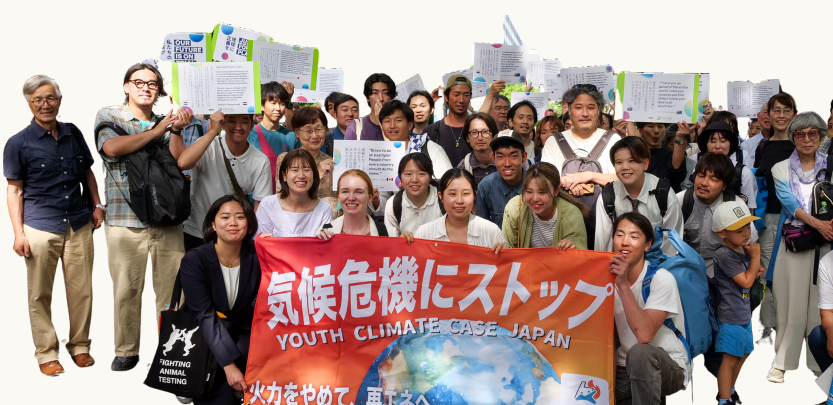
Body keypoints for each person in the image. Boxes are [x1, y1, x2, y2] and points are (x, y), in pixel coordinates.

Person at [4, 75, 103, 375]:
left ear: (60, 100)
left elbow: (86, 172)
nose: (45, 104)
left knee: (82, 291)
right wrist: (18, 233)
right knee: (39, 294)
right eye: (38, 100)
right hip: (40, 227)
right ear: (30, 104)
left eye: (50, 98)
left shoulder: (73, 133)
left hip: (78, 223)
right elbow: (14, 190)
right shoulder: (18, 143)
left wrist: (96, 205)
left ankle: (80, 347)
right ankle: (47, 353)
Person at [95, 62, 188, 371]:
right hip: (125, 221)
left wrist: (175, 130)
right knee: (126, 290)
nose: (146, 87)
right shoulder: (110, 115)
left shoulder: (167, 120)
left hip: (167, 219)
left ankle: (171, 355)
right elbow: (111, 148)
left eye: (152, 83)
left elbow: (179, 161)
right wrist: (157, 132)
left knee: (172, 292)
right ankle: (127, 350)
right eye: (139, 82)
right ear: (126, 86)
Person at [768, 111, 833, 383]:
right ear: (793, 137)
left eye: (812, 133)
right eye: (800, 134)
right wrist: (818, 224)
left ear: (820, 136)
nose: (807, 139)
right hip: (794, 242)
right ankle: (782, 361)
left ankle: (819, 360)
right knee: (789, 303)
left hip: (826, 245)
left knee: (822, 303)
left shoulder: (831, 165)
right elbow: (789, 203)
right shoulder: (781, 168)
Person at [178, 195, 261, 405]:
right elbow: (204, 315)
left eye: (240, 217)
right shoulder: (194, 259)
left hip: (239, 332)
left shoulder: (257, 255)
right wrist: (229, 366)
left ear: (249, 224)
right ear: (213, 225)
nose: (233, 223)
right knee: (219, 396)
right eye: (225, 217)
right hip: (201, 334)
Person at [609, 212, 689, 405]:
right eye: (619, 235)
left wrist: (623, 285)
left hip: (667, 365)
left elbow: (644, 335)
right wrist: (566, 254)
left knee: (640, 353)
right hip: (624, 366)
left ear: (647, 245)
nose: (625, 242)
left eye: (634, 236)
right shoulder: (606, 278)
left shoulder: (661, 279)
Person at [171, 112, 272, 251]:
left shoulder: (261, 161)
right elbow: (183, 163)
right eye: (232, 121)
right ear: (223, 124)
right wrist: (213, 131)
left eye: (244, 122)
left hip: (234, 236)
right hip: (197, 231)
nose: (238, 127)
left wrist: (250, 236)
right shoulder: (207, 145)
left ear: (251, 125)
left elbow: (260, 207)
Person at [753, 93, 798, 338]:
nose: (781, 115)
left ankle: (791, 325)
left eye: (786, 110)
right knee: (768, 273)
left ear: (794, 115)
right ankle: (769, 327)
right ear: (768, 115)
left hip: (796, 219)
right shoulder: (763, 147)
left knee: (792, 272)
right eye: (776, 110)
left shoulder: (800, 145)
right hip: (769, 218)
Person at [711, 201, 763, 405]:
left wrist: (754, 267)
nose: (746, 234)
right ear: (722, 233)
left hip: (743, 314)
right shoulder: (724, 254)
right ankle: (724, 399)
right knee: (729, 359)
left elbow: (749, 275)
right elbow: (747, 282)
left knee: (745, 351)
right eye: (739, 230)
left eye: (748, 227)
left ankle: (729, 389)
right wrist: (755, 258)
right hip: (730, 317)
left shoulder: (740, 249)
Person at [595, 136, 683, 255]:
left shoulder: (664, 193)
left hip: (658, 264)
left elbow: (672, 246)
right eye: (619, 162)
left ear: (645, 163)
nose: (625, 167)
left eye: (632, 161)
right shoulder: (608, 196)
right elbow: (602, 246)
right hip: (619, 262)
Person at [677, 153, 757, 277]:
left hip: (722, 269)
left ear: (724, 186)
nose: (704, 183)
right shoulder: (680, 201)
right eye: (701, 176)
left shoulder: (735, 205)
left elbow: (750, 241)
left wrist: (751, 268)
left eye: (713, 179)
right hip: (685, 268)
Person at [541, 85, 618, 197]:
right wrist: (569, 182)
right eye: (578, 108)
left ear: (598, 111)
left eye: (591, 108)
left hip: (604, 207)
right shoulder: (553, 141)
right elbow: (543, 179)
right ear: (569, 111)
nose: (585, 114)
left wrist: (588, 176)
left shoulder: (613, 139)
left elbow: (622, 178)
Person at [413, 168, 508, 252]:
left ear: (474, 195)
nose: (459, 201)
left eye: (466, 193)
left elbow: (506, 264)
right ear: (441, 196)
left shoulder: (491, 231)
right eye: (452, 194)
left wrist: (505, 252)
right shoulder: (424, 234)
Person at [501, 162, 589, 249]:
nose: (535, 199)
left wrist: (570, 246)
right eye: (529, 192)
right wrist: (504, 248)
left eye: (542, 192)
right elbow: (510, 248)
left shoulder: (571, 213)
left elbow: (579, 251)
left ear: (556, 191)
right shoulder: (515, 208)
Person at [275, 107, 338, 215]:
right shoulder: (286, 160)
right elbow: (282, 196)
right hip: (299, 220)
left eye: (319, 129)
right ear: (297, 133)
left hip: (330, 222)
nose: (314, 135)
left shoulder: (333, 163)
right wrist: (317, 176)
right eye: (308, 130)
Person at [256, 149, 333, 237]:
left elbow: (327, 240)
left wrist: (325, 235)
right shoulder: (268, 205)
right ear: (284, 176)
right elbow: (260, 241)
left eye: (306, 170)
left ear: (314, 175)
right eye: (295, 170)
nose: (301, 176)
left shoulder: (324, 209)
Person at [379, 100, 452, 176]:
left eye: (398, 120)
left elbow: (448, 181)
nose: (392, 126)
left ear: (410, 125)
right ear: (381, 125)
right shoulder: (378, 154)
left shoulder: (430, 148)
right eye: (387, 121)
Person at [695, 121, 758, 209]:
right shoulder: (698, 167)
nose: (717, 146)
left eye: (723, 141)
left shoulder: (743, 173)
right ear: (706, 144)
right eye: (713, 141)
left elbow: (749, 208)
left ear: (730, 144)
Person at [385, 153, 443, 238]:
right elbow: (390, 242)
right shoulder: (393, 204)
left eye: (421, 174)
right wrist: (399, 241)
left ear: (430, 176)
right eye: (408, 174)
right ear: (400, 177)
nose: (414, 180)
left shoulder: (443, 199)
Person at [476, 131, 527, 227]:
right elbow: (481, 228)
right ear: (493, 158)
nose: (507, 164)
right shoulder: (485, 186)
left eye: (514, 156)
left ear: (524, 157)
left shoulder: (536, 183)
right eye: (500, 157)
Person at [318, 170, 387, 239]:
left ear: (370, 197)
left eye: (359, 192)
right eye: (345, 191)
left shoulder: (388, 232)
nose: (351, 198)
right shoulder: (324, 231)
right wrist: (319, 243)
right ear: (338, 196)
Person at [424, 74, 474, 167]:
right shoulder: (431, 131)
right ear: (446, 97)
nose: (461, 100)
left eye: (466, 95)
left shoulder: (478, 130)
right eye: (456, 95)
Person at [636, 122, 687, 192]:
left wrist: (679, 138)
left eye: (660, 126)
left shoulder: (670, 155)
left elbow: (677, 170)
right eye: (651, 126)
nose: (656, 131)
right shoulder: (635, 155)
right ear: (641, 131)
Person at [344, 73, 396, 141]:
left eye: (385, 93)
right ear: (367, 97)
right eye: (375, 93)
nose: (381, 98)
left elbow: (395, 147)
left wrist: (381, 121)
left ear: (391, 97)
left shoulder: (399, 125)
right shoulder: (355, 126)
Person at [456, 112, 498, 188]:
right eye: (474, 132)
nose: (480, 138)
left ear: (494, 135)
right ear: (467, 138)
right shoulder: (464, 167)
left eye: (485, 132)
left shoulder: (504, 162)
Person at [743, 103, 771, 168]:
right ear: (759, 116)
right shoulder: (746, 145)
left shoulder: (788, 142)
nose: (768, 117)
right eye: (765, 112)